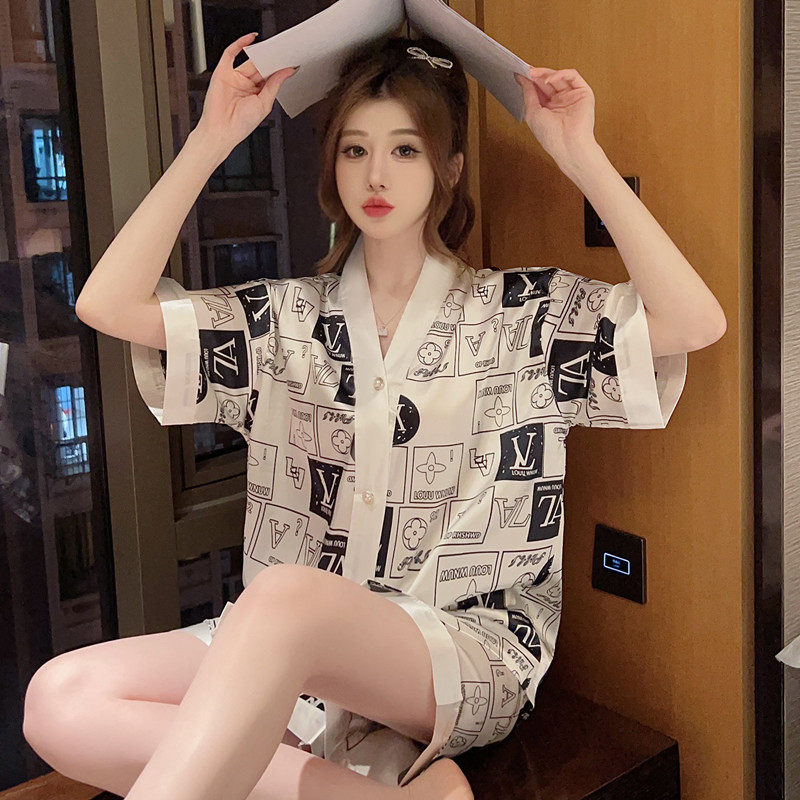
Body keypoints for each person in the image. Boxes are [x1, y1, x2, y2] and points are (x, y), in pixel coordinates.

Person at [22, 30, 726, 800]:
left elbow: (693, 323)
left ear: (449, 167)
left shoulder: (524, 319)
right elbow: (107, 303)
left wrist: (579, 154)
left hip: (458, 652)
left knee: (282, 599)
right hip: (289, 654)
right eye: (354, 150)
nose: (376, 174)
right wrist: (212, 138)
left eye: (405, 150)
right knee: (59, 699)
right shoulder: (285, 322)